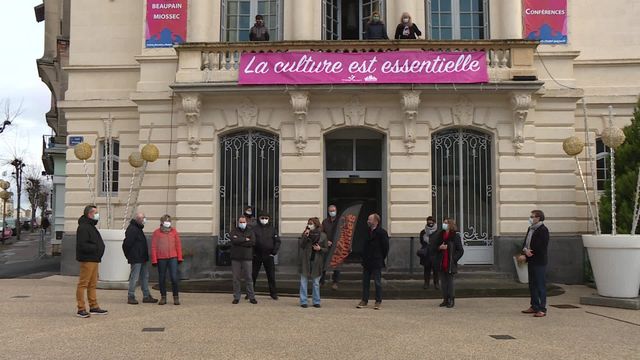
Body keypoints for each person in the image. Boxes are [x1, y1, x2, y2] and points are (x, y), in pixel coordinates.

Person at [75, 205, 107, 318]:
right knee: (83, 283)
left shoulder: (91, 226)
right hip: (88, 259)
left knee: (92, 284)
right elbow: (82, 245)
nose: (97, 215)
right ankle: (81, 308)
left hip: (94, 259)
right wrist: (96, 248)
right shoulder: (83, 227)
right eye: (95, 213)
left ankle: (93, 306)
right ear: (89, 214)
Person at [518, 210, 550, 317]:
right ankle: (534, 305)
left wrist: (528, 253)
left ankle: (542, 308)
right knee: (532, 285)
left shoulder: (543, 230)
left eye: (532, 216)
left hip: (539, 261)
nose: (531, 218)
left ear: (538, 218)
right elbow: (526, 241)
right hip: (531, 261)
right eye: (530, 216)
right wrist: (524, 250)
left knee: (540, 285)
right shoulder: (530, 229)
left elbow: (541, 246)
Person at [122, 212, 157, 305]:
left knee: (144, 277)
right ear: (138, 219)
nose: (145, 220)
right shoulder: (133, 229)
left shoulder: (138, 228)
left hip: (142, 257)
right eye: (143, 218)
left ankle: (146, 296)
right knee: (134, 277)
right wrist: (129, 256)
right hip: (136, 258)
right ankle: (131, 296)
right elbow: (126, 244)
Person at [356, 213, 389, 310]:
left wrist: (380, 257)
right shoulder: (366, 231)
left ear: (375, 221)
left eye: (369, 219)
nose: (368, 221)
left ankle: (378, 301)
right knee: (365, 282)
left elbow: (385, 247)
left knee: (377, 282)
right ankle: (364, 300)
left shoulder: (382, 232)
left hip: (376, 260)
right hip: (367, 260)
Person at [151, 215, 183, 305]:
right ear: (161, 222)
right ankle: (163, 297)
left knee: (174, 278)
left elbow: (178, 245)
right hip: (161, 258)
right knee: (162, 278)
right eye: (166, 221)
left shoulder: (174, 232)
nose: (168, 222)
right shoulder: (156, 233)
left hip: (173, 257)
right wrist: (154, 260)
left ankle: (176, 297)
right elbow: (154, 247)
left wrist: (180, 257)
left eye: (169, 221)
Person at [432, 217, 464, 308]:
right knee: (443, 282)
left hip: (450, 263)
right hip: (441, 262)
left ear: (450, 225)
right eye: (443, 222)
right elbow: (434, 247)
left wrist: (454, 259)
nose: (444, 224)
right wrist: (439, 248)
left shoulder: (455, 236)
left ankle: (451, 299)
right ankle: (445, 299)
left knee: (450, 282)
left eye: (446, 223)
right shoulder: (440, 235)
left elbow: (460, 250)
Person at [299, 217, 328, 308]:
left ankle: (316, 301)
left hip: (317, 261)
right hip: (306, 260)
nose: (309, 225)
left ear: (316, 224)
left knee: (316, 282)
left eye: (311, 223)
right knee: (303, 281)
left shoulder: (323, 235)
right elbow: (301, 245)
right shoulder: (305, 233)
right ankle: (303, 301)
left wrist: (320, 249)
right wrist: (305, 236)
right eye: (308, 223)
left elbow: (326, 249)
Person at [252, 211, 281, 300]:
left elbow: (277, 241)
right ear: (259, 218)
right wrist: (253, 252)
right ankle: (250, 292)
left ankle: (273, 293)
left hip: (268, 255)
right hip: (257, 255)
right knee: (253, 275)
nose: (264, 220)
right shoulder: (254, 229)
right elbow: (251, 241)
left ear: (269, 219)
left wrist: (274, 252)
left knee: (271, 275)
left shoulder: (272, 229)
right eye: (262, 218)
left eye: (266, 218)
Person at [231, 215, 257, 304]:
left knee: (249, 278)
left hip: (247, 258)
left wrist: (240, 241)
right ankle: (236, 297)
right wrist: (245, 239)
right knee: (236, 279)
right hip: (236, 258)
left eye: (243, 222)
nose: (242, 223)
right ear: (238, 222)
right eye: (240, 222)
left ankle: (251, 296)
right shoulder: (234, 231)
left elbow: (252, 242)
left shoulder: (250, 231)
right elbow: (234, 241)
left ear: (246, 222)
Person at [321, 205, 340, 290]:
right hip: (327, 245)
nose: (332, 212)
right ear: (328, 212)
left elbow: (343, 233)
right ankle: (322, 281)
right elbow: (322, 233)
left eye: (334, 210)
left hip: (337, 246)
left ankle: (335, 282)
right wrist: (326, 241)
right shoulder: (325, 222)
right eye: (331, 211)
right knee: (324, 263)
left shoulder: (340, 221)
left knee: (336, 265)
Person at [418, 216, 439, 289]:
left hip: (435, 253)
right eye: (428, 221)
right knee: (427, 269)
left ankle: (436, 283)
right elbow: (421, 241)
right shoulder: (423, 232)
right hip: (427, 254)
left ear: (434, 222)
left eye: (431, 221)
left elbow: (440, 242)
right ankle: (426, 283)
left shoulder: (438, 232)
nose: (430, 222)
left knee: (436, 270)